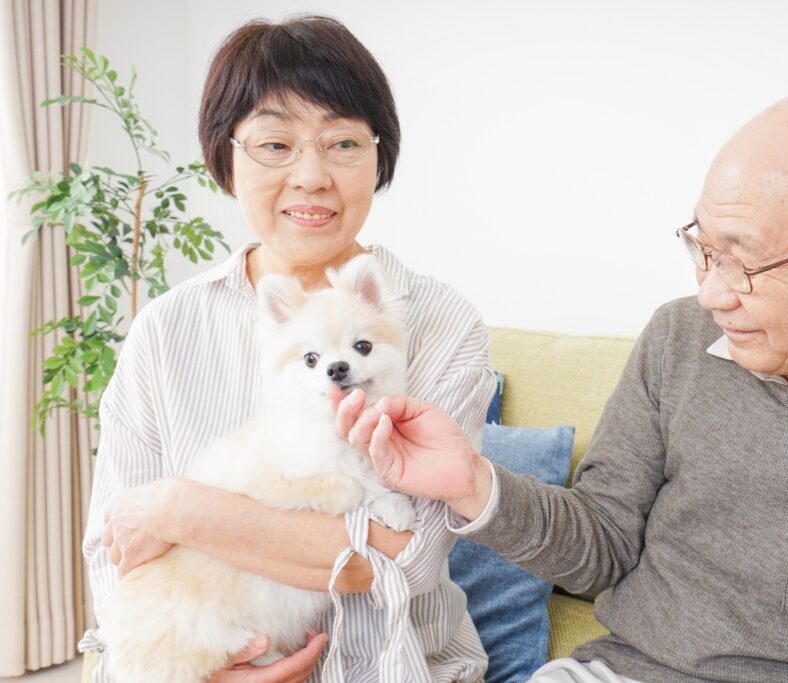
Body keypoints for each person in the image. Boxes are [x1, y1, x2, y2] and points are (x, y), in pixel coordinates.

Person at [340, 91, 788, 682]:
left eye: (745, 262)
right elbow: (601, 544)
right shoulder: (679, 338)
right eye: (704, 248)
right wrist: (472, 481)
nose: (712, 291)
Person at [81, 15, 494, 683]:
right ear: (226, 155)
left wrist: (184, 510)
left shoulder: (443, 322)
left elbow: (405, 560)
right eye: (275, 143)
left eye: (341, 142)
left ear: (378, 154)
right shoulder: (165, 329)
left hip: (397, 667)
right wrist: (201, 668)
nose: (311, 175)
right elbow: (116, 546)